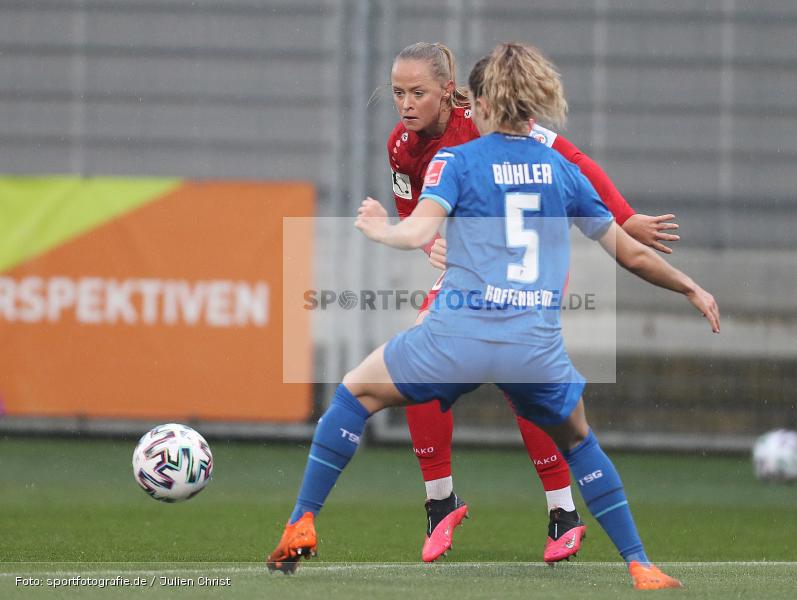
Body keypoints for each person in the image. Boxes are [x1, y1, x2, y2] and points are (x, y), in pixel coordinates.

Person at [267, 41, 719, 590]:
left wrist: (378, 227)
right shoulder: (557, 169)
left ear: (473, 101)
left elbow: (415, 229)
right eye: (399, 93)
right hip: (531, 341)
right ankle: (639, 562)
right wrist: (690, 286)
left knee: (354, 394)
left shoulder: (458, 159)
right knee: (580, 441)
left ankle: (301, 521)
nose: (406, 103)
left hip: (459, 332)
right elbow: (631, 253)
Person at [385, 42, 681, 564]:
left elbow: (572, 158)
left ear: (449, 92)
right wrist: (433, 240)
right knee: (421, 364)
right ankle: (441, 501)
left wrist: (624, 216)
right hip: (475, 267)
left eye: (418, 92)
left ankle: (563, 511)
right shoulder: (400, 147)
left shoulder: (483, 119)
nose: (406, 103)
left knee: (517, 378)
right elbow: (417, 214)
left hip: (530, 262)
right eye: (397, 93)